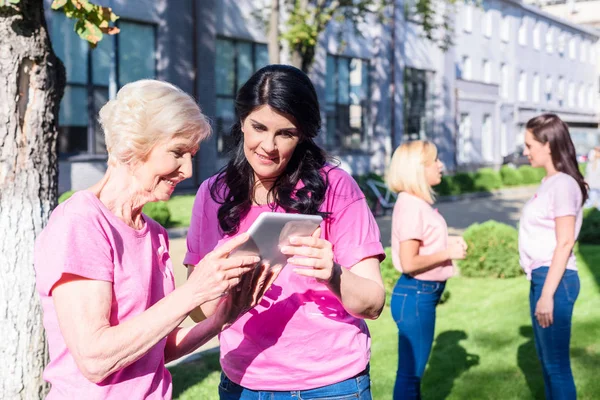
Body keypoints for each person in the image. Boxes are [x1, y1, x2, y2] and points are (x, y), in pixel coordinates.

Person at [34, 80, 276, 399]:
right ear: (134, 146)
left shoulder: (154, 233)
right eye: (177, 152)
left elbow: (155, 350)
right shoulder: (81, 220)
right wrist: (194, 291)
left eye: (191, 155)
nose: (188, 170)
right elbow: (94, 359)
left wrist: (223, 317)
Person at [185, 64, 386, 399]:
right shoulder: (213, 194)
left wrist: (333, 273)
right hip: (244, 383)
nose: (268, 146)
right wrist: (222, 285)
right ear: (241, 122)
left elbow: (373, 304)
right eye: (258, 127)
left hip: (331, 385)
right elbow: (197, 311)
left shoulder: (337, 188)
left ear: (303, 135)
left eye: (286, 133)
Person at [385, 140, 467, 400]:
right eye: (434, 160)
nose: (440, 165)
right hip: (416, 295)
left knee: (411, 375)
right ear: (417, 169)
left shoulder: (414, 203)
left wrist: (445, 245)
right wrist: (447, 253)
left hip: (419, 295)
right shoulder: (410, 205)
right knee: (410, 376)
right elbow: (409, 262)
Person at [519, 113, 588, 400]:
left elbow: (565, 242)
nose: (525, 152)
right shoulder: (550, 182)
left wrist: (547, 294)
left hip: (554, 280)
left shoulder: (562, 184)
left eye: (529, 145)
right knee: (548, 365)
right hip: (543, 277)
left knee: (556, 367)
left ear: (547, 145)